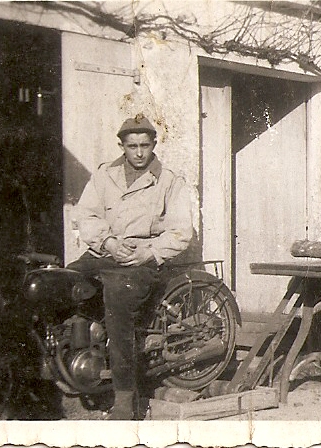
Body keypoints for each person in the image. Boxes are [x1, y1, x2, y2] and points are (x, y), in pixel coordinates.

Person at [68, 114, 193, 419]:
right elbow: (85, 215)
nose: (139, 152)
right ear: (121, 146)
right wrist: (107, 242)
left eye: (145, 145)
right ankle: (76, 362)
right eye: (132, 146)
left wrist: (148, 252)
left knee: (118, 301)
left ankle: (125, 398)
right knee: (62, 281)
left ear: (154, 144)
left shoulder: (170, 180)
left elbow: (181, 232)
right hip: (104, 252)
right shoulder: (103, 176)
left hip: (143, 261)